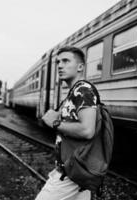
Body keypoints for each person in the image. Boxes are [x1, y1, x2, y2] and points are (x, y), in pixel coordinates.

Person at [35, 46, 99, 200]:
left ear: (80, 67)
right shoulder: (73, 92)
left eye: (65, 61)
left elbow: (87, 130)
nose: (60, 66)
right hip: (77, 170)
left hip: (71, 172)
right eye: (58, 62)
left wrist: (56, 123)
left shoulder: (83, 90)